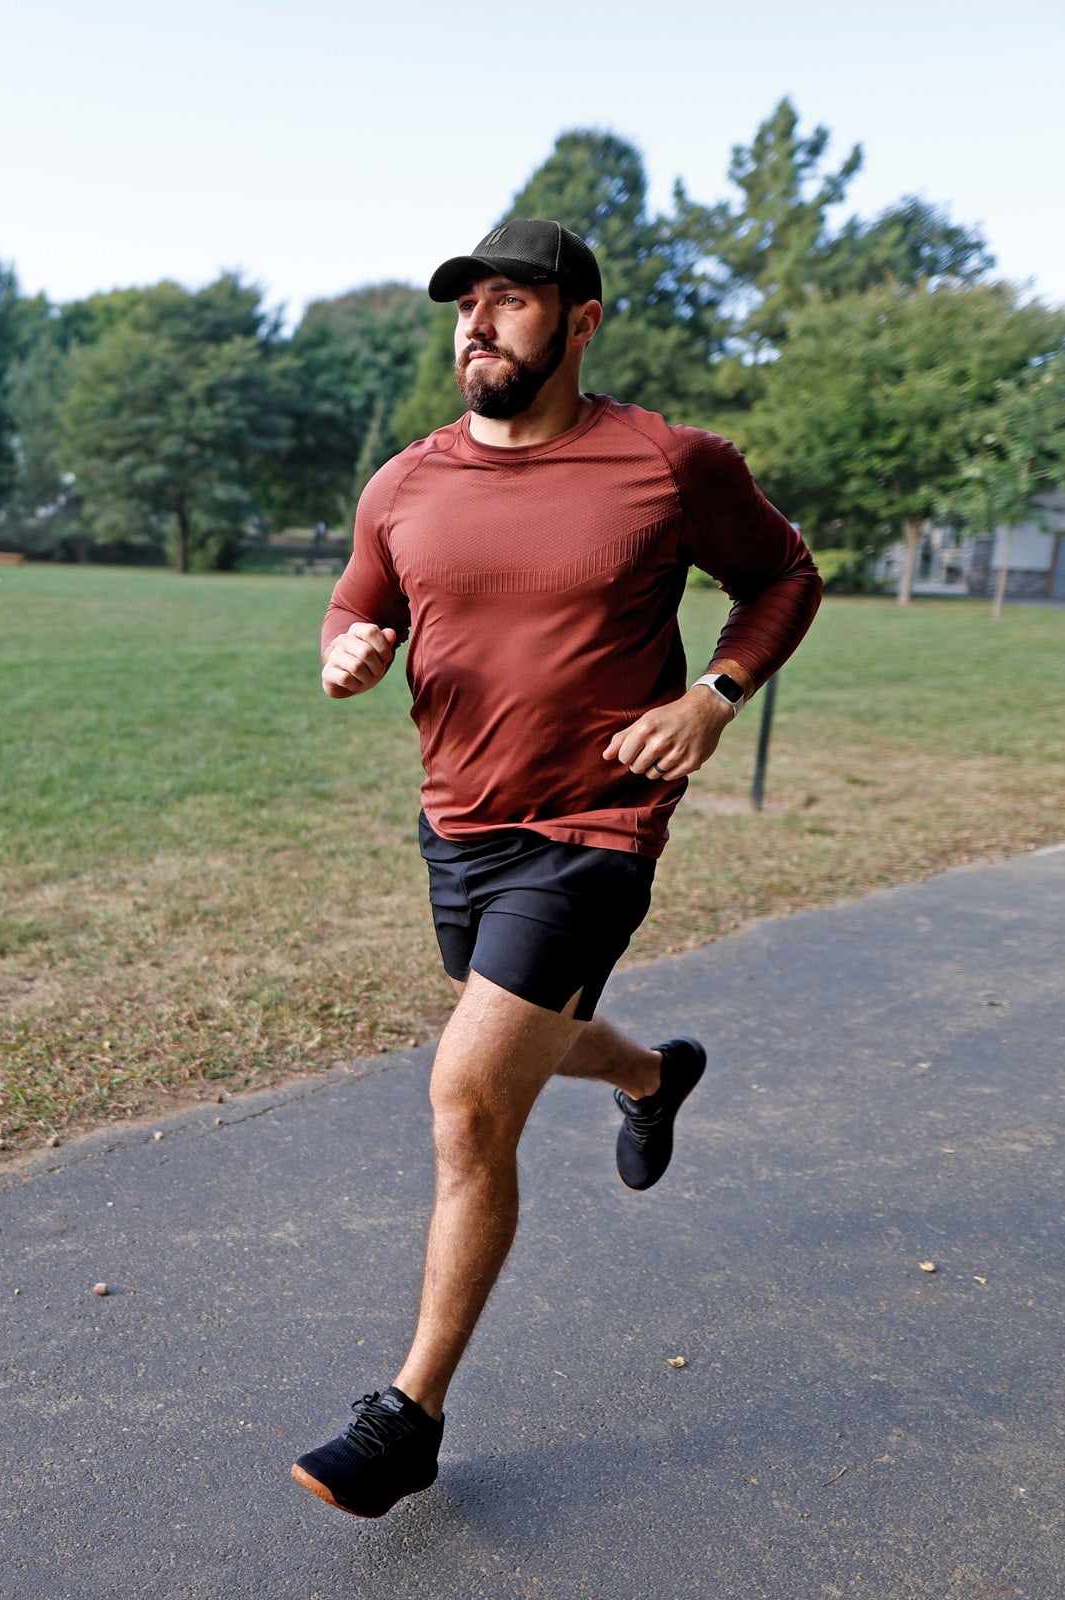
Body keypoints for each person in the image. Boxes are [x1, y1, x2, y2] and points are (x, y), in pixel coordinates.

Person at [290, 219, 823, 1519]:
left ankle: (407, 1416)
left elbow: (783, 575)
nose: (479, 323)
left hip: (598, 826)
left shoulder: (668, 463)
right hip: (459, 823)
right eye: (466, 304)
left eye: (513, 300)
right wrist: (346, 649)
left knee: (470, 1096)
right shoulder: (403, 483)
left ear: (580, 322)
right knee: (523, 1028)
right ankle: (650, 1074)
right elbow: (357, 601)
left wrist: (715, 695)